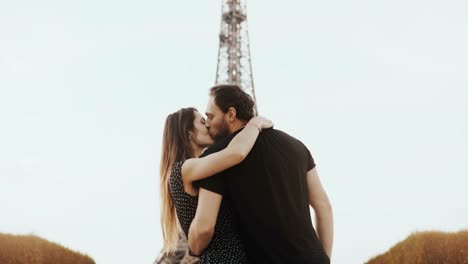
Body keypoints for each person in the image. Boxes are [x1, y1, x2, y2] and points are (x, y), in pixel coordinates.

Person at [189, 84, 334, 264]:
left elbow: (204, 227)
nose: (207, 123)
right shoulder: (297, 147)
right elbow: (323, 207)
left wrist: (193, 246)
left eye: (210, 116)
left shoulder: (218, 158)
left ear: (231, 114)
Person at [160, 107, 273, 263]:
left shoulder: (197, 169)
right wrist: (255, 123)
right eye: (202, 121)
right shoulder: (183, 169)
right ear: (189, 133)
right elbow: (236, 153)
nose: (208, 125)